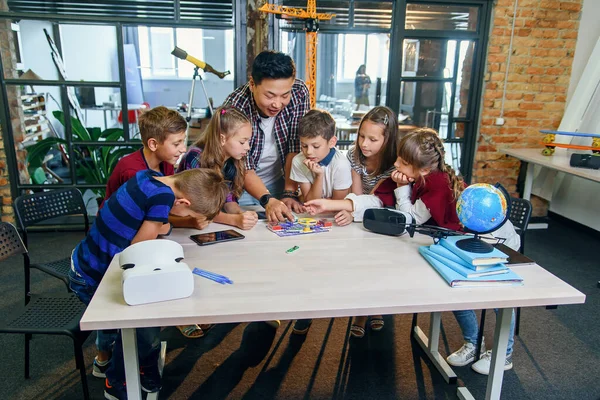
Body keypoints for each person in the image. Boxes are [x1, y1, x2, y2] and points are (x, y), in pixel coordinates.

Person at [305, 128, 520, 342]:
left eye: (403, 162)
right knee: (458, 292)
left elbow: (410, 219)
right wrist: (329, 204)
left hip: (494, 239)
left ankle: (504, 353)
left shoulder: (437, 183)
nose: (396, 164)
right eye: (398, 158)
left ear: (424, 169)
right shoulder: (420, 176)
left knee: (498, 300)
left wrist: (401, 187)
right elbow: (377, 201)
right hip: (465, 241)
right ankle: (473, 343)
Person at [68, 168, 228, 400]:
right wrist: (164, 226)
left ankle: (106, 363)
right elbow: (139, 248)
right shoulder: (163, 198)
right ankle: (117, 384)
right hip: (95, 277)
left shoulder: (149, 176)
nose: (185, 218)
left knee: (133, 317)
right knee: (139, 322)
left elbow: (158, 225)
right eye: (188, 214)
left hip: (84, 262)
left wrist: (162, 225)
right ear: (182, 201)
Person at [92, 106, 212, 378]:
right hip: (119, 245)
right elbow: (144, 223)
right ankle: (104, 355)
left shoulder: (166, 165)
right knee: (110, 307)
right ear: (153, 143)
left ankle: (141, 347)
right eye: (178, 143)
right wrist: (169, 221)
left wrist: (169, 220)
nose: (183, 148)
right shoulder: (131, 170)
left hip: (142, 234)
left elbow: (160, 212)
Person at [224, 50, 310, 222]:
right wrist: (267, 199)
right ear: (252, 84)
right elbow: (243, 164)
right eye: (269, 95)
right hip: (240, 186)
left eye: (285, 95)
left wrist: (289, 192)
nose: (277, 104)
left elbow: (294, 146)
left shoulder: (299, 92)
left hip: (280, 180)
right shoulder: (236, 106)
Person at [289, 109, 352, 335]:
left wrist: (321, 175)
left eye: (315, 146)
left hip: (336, 219)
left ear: (332, 142)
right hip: (312, 219)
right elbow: (309, 202)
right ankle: (304, 311)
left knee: (332, 269)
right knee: (303, 267)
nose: (309, 151)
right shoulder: (299, 160)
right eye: (304, 145)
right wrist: (318, 176)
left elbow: (337, 203)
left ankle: (331, 304)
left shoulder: (341, 164)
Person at [178, 105, 258, 230]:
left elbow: (229, 200)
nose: (247, 147)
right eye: (242, 142)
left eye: (249, 141)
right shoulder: (195, 158)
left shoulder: (232, 159)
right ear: (222, 139)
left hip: (212, 223)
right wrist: (234, 220)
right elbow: (198, 208)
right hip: (187, 223)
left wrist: (241, 214)